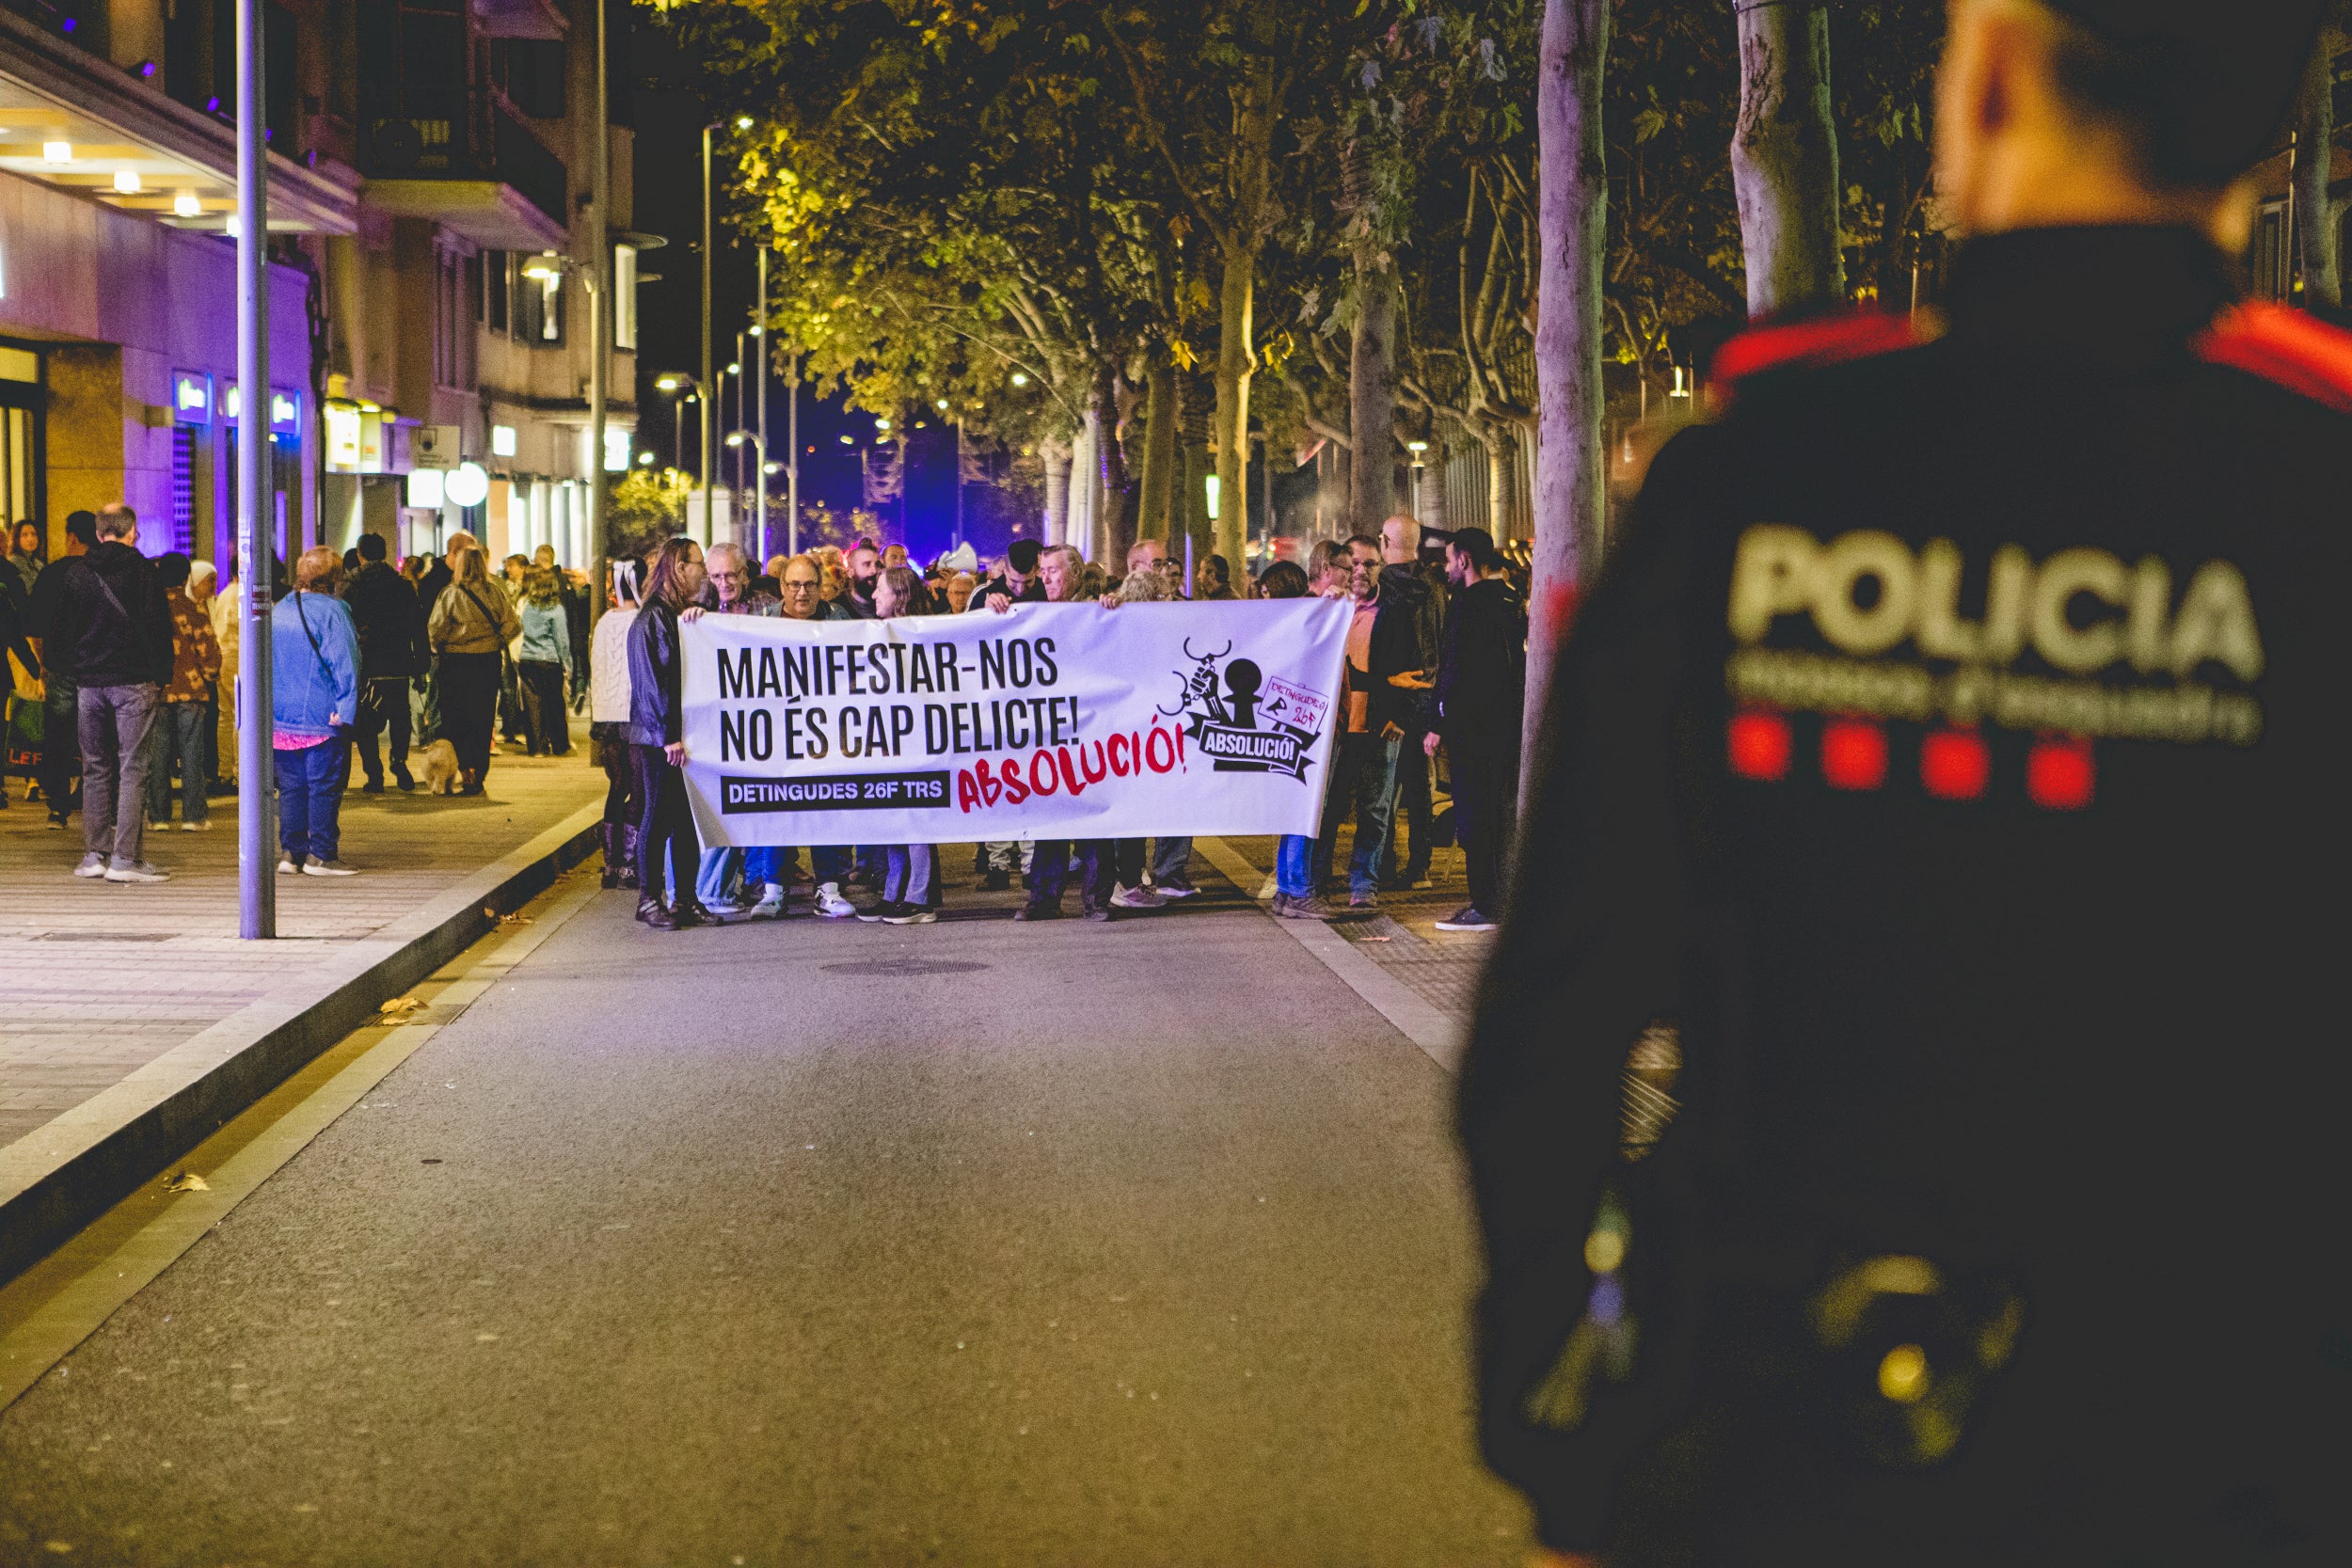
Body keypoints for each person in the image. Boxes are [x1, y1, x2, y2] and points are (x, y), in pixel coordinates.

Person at [1464, 5, 2351, 1565]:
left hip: (1770, 1423)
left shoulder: (1760, 475)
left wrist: (1557, 1395)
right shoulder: (2312, 496)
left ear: (1994, 75)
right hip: (2210, 1451)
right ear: (2275, 139)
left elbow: (1557, 1006)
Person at [47, 503, 174, 881]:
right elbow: (157, 627)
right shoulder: (143, 571)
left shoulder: (76, 573)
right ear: (131, 530)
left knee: (95, 768)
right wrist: (161, 674)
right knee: (133, 768)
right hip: (133, 682)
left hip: (89, 684)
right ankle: (125, 860)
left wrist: (75, 668)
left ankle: (94, 855)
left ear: (100, 532)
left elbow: (58, 633)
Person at [1009, 545, 1123, 921]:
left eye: (1053, 570)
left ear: (1074, 571)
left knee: (1093, 821)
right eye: (1042, 570)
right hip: (1051, 736)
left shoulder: (1099, 609)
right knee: (1051, 818)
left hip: (1091, 734)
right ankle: (1044, 898)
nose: (1045, 577)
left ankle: (1096, 899)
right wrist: (995, 603)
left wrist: (1115, 607)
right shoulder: (1031, 612)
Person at [1424, 528, 1521, 933]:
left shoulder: (1465, 605)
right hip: (1506, 725)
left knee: (1473, 816)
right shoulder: (1511, 601)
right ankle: (1501, 899)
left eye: (1450, 560)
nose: (1447, 568)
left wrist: (1435, 724)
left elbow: (1452, 668)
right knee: (1500, 816)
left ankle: (1485, 903)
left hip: (1470, 729)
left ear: (1464, 560)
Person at [1311, 533, 1415, 910]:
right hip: (1334, 729)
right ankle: (1315, 879)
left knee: (1374, 810)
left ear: (1381, 567)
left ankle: (1363, 883)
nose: (1360, 571)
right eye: (1353, 563)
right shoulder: (1330, 609)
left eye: (1369, 564)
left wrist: (1401, 717)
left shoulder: (1395, 610)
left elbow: (1413, 665)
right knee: (1327, 809)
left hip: (1378, 727)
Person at [683, 544, 786, 916]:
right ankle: (719, 886)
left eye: (730, 575)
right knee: (722, 803)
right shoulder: (699, 609)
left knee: (763, 803)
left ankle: (761, 880)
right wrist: (694, 622)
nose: (723, 582)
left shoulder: (766, 607)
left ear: (745, 573)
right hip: (718, 727)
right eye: (715, 576)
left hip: (763, 723)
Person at [850, 564, 941, 924]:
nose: (874, 596)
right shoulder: (879, 632)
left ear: (900, 596)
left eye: (881, 590)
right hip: (889, 740)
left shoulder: (926, 633)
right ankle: (894, 893)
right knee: (893, 819)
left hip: (916, 742)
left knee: (915, 819)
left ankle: (921, 899)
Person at [628, 537, 709, 930]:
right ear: (679, 567)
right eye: (699, 564)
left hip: (672, 734)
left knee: (682, 819)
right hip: (660, 738)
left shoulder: (671, 615)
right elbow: (652, 683)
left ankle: (685, 899)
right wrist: (667, 735)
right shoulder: (652, 618)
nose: (703, 572)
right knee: (657, 817)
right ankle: (649, 899)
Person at [1271, 545, 1352, 918]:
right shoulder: (1311, 610)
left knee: (1297, 808)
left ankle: (1289, 889)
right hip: (1313, 726)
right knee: (1307, 808)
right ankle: (1299, 889)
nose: (1351, 576)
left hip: (1309, 723)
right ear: (1324, 568)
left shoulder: (1320, 610)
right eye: (1344, 569)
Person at [270, 546, 360, 876]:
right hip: (322, 716)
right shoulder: (334, 612)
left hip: (281, 718)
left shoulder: (279, 609)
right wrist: (347, 710)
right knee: (323, 785)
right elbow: (345, 664)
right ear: (335, 578)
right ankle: (321, 854)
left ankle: (291, 853)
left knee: (292, 787)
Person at [1374, 515, 1444, 892]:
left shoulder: (1384, 588)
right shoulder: (1435, 585)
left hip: (1390, 702)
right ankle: (1420, 867)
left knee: (1382, 790)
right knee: (1419, 788)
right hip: (1428, 700)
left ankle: (1382, 865)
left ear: (1385, 542)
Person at [425, 539, 520, 796]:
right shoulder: (495, 592)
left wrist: (442, 646)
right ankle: (478, 772)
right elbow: (513, 625)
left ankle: (462, 768)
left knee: (456, 718)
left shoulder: (451, 594)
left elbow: (435, 629)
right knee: (482, 717)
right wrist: (497, 640)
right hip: (487, 661)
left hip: (456, 663)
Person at [342, 532, 429, 792]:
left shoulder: (351, 585)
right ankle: (398, 760)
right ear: (385, 553)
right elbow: (418, 626)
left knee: (366, 721)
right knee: (400, 716)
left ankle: (374, 774)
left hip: (366, 663)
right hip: (397, 663)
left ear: (360, 555)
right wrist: (420, 662)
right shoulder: (402, 586)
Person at [27, 510, 98, 829]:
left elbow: (37, 629)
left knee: (58, 734)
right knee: (98, 737)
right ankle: (97, 802)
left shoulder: (52, 574)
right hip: (97, 668)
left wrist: (44, 665)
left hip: (59, 666)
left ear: (71, 536)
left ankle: (57, 806)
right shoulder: (103, 572)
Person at [144, 553, 221, 832]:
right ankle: (193, 816)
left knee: (158, 755)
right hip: (191, 690)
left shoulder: (148, 608)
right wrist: (210, 674)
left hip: (156, 691)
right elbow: (207, 651)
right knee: (192, 754)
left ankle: (159, 817)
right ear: (187, 576)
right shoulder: (194, 608)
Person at [589, 559, 643, 890]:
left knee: (617, 786)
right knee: (638, 789)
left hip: (607, 715)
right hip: (633, 714)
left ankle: (610, 864)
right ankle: (630, 865)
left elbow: (598, 667)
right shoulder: (640, 619)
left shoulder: (604, 621)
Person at [515, 567, 575, 757]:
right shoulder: (556, 610)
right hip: (548, 660)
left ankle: (537, 747)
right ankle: (559, 745)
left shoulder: (527, 608)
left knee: (533, 704)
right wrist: (568, 665)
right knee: (554, 704)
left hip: (527, 660)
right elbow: (561, 641)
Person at [972, 537, 1045, 613]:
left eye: (1028, 582)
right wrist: (985, 611)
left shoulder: (1047, 591)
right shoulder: (984, 595)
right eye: (1014, 581)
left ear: (1037, 570)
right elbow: (969, 623)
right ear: (1004, 569)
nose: (1020, 590)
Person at [840, 538, 882, 617]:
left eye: (877, 565)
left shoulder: (886, 606)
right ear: (850, 572)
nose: (874, 571)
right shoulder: (836, 610)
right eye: (867, 564)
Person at [7, 517, 41, 597]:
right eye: (24, 535)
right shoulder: (12, 563)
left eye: (34, 534)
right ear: (16, 539)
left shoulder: (39, 564)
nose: (30, 539)